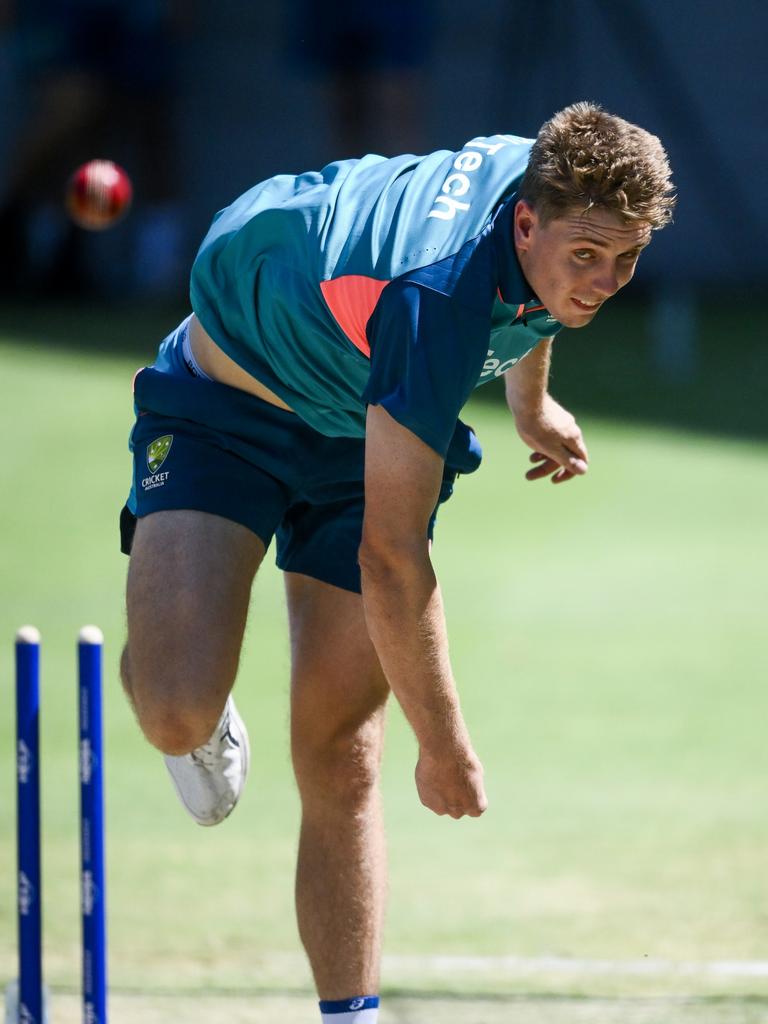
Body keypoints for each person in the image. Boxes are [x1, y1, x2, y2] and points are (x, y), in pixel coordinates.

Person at [119, 102, 675, 1024]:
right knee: (175, 708)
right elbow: (393, 561)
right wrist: (445, 747)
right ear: (527, 221)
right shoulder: (437, 295)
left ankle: (353, 1016)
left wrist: (532, 404)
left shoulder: (544, 187)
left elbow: (538, 299)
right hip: (230, 398)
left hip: (368, 415)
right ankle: (194, 716)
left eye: (628, 260)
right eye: (591, 256)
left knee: (341, 754)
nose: (607, 282)